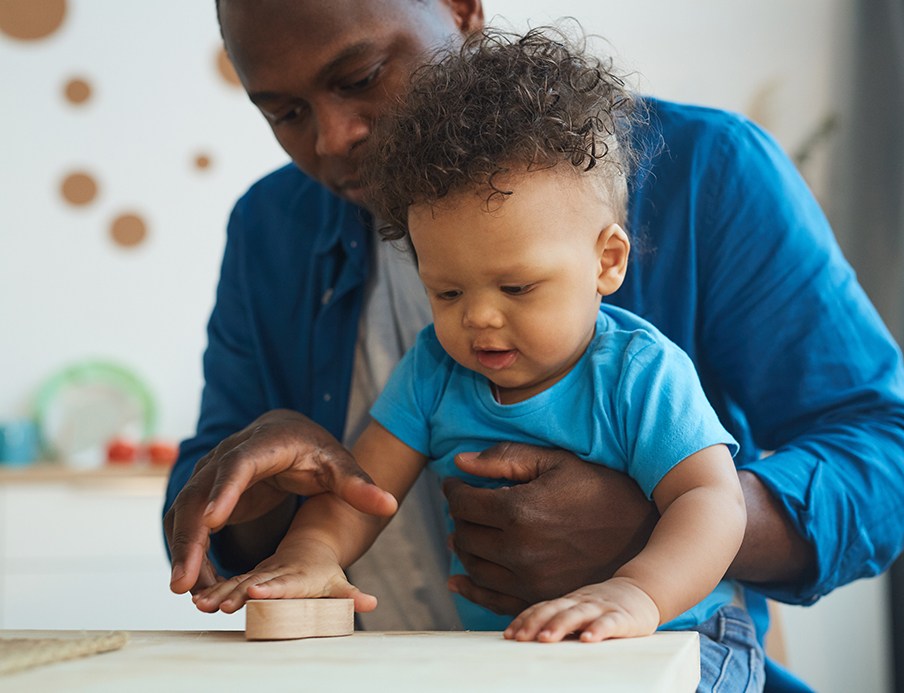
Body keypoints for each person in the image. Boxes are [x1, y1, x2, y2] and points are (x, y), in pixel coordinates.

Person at [164, 1, 904, 689]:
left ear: (460, 7)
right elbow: (241, 511)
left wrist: (653, 534)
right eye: (284, 113)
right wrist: (263, 511)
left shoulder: (711, 176)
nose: (333, 140)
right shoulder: (270, 231)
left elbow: (892, 456)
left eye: (362, 75)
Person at [195, 33, 762, 688]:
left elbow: (712, 500)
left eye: (516, 288)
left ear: (607, 261)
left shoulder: (639, 372)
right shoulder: (435, 369)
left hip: (682, 637)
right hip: (527, 655)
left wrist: (636, 591)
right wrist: (311, 552)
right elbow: (361, 490)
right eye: (448, 291)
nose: (479, 317)